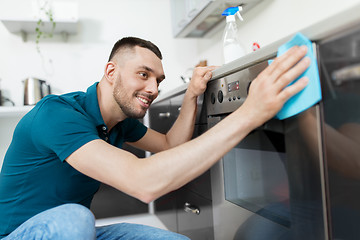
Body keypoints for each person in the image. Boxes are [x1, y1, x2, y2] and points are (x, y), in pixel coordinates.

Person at [0, 36, 310, 239]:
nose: (153, 89)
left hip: (76, 233)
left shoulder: (119, 122)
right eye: (143, 74)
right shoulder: (57, 114)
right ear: (111, 72)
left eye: (158, 80)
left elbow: (169, 146)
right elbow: (143, 183)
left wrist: (191, 96)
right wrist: (250, 113)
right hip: (23, 233)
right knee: (75, 219)